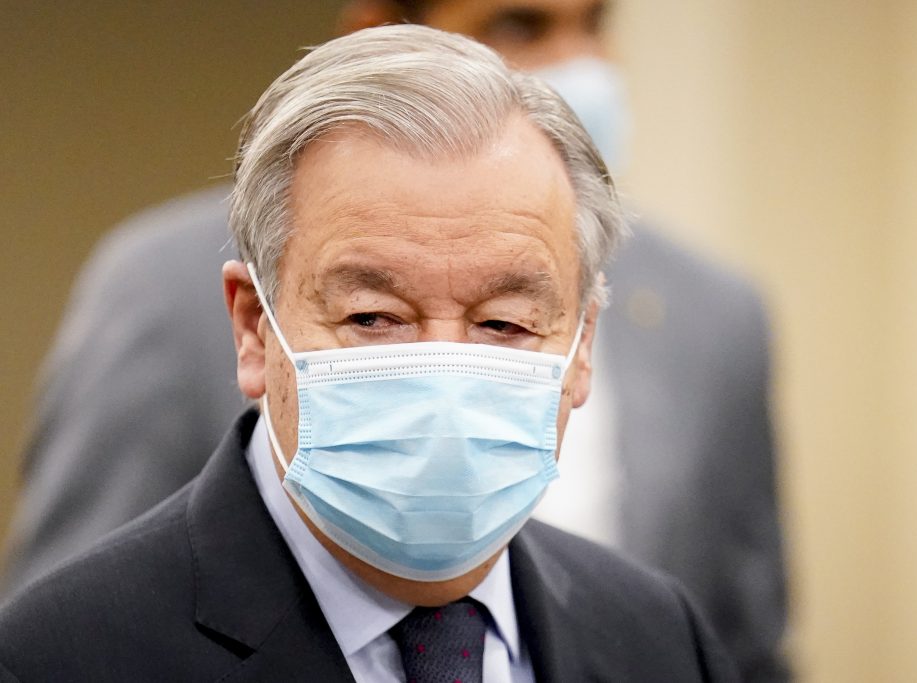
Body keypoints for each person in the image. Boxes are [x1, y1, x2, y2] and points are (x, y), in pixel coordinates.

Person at [1, 1, 787, 677]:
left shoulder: (661, 639)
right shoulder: (62, 655)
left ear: (581, 345)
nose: (446, 375)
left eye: (504, 324)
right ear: (252, 328)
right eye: (373, 317)